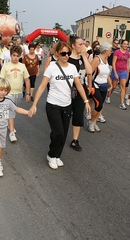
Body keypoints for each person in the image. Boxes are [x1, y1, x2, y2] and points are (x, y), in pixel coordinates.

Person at [28, 41, 91, 169]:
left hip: (66, 105)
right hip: (53, 104)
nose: (66, 56)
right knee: (58, 132)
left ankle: (57, 156)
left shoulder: (72, 68)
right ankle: (51, 155)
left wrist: (86, 101)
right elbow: (42, 87)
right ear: (57, 53)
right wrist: (34, 104)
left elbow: (78, 85)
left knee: (64, 133)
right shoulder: (52, 67)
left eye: (68, 53)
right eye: (63, 53)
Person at [0, 78, 31, 177]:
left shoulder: (8, 101)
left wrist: (28, 112)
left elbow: (17, 109)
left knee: (1, 147)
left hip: (3, 128)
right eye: (1, 90)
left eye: (5, 90)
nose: (3, 92)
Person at [0, 45, 31, 143]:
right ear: (10, 55)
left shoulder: (22, 66)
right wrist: (0, 92)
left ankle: (8, 123)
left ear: (20, 56)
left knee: (13, 111)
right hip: (8, 94)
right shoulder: (6, 66)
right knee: (11, 111)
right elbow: (1, 80)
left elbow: (27, 80)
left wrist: (28, 93)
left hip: (19, 93)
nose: (15, 57)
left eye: (17, 55)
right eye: (14, 55)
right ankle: (11, 132)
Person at [68, 35, 93, 151]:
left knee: (78, 115)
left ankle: (75, 140)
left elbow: (89, 71)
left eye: (83, 44)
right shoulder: (67, 58)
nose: (83, 46)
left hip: (81, 90)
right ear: (73, 46)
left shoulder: (83, 57)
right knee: (65, 115)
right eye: (80, 44)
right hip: (67, 90)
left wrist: (84, 56)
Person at [88, 42, 112, 132]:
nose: (111, 52)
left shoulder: (106, 60)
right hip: (96, 85)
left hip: (104, 85)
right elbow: (90, 72)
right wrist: (90, 85)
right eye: (110, 50)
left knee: (100, 107)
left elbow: (107, 74)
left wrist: (111, 85)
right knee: (98, 105)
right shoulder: (97, 59)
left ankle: (94, 122)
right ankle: (91, 122)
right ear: (105, 50)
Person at [111, 39, 130, 110]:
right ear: (121, 44)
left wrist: (127, 74)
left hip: (123, 71)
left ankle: (122, 103)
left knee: (123, 87)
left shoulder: (128, 54)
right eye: (124, 44)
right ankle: (108, 95)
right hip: (116, 70)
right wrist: (115, 72)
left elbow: (127, 64)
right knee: (114, 86)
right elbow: (113, 62)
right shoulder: (117, 52)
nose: (126, 45)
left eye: (127, 44)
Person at [105, 39, 120, 104]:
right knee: (109, 82)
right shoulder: (110, 49)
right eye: (115, 43)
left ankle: (109, 94)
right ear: (113, 43)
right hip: (109, 65)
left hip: (116, 67)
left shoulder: (118, 50)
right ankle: (107, 96)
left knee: (114, 85)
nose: (116, 44)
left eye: (117, 43)